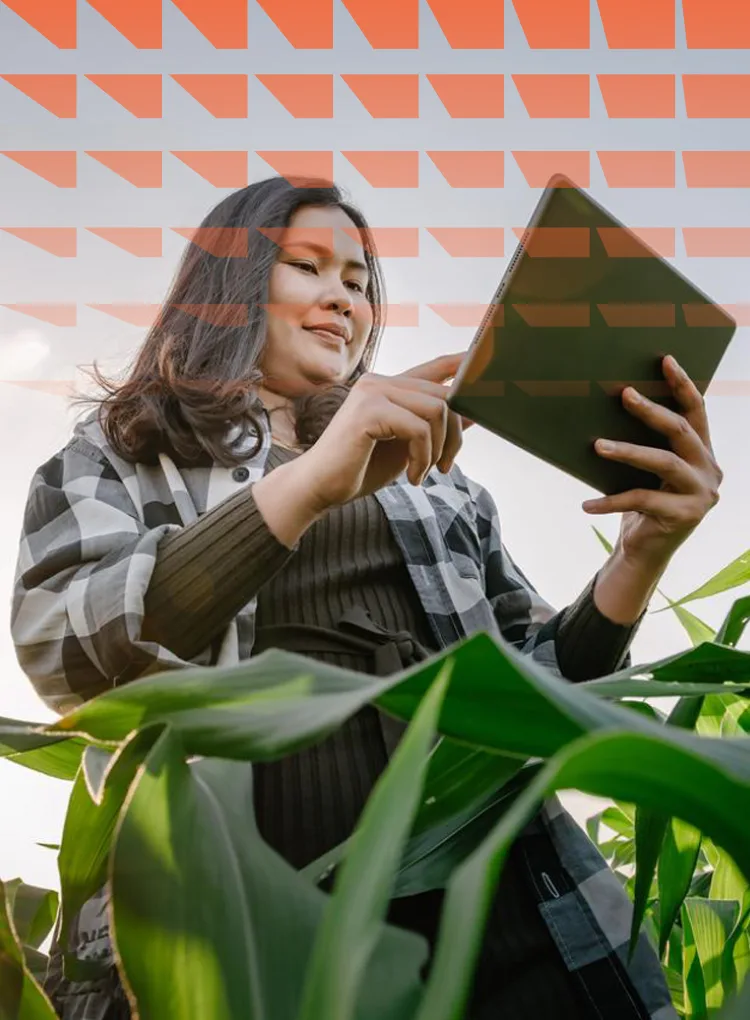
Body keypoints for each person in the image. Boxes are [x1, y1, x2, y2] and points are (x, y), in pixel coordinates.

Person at [12, 176, 721, 1019]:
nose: (341, 297)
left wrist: (642, 555)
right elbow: (71, 654)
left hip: (501, 906)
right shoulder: (119, 454)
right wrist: (310, 483)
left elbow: (537, 688)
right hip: (246, 930)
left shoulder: (441, 489)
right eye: (308, 267)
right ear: (227, 290)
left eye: (357, 280)